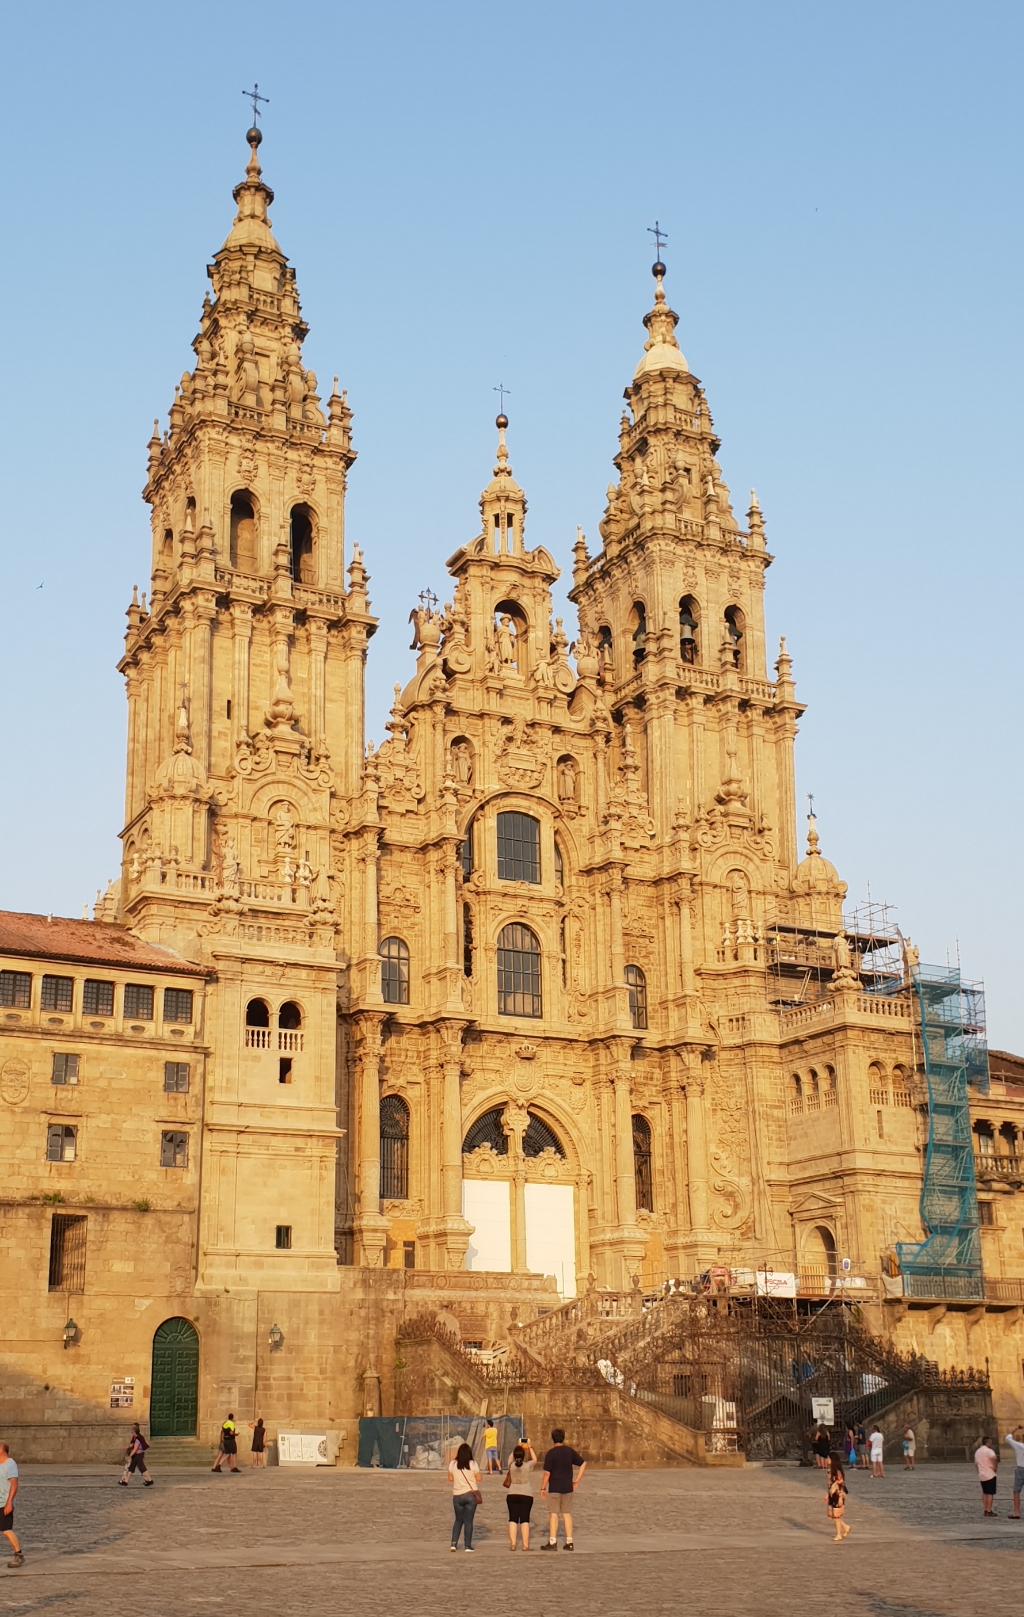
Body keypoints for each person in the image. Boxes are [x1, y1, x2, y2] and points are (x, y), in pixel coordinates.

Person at [540, 1428, 586, 1551]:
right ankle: (569, 1541)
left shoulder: (551, 1453)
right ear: (563, 1438)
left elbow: (547, 1473)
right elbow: (583, 1463)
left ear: (552, 1438)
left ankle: (553, 1541)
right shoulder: (569, 1451)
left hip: (554, 1486)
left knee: (554, 1514)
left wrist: (543, 1487)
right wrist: (577, 1480)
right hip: (567, 1486)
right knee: (566, 1514)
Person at [448, 1441, 482, 1552]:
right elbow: (479, 1478)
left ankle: (453, 1543)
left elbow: (450, 1479)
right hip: (470, 1495)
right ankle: (467, 1545)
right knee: (468, 1521)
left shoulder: (452, 1464)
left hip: (457, 1495)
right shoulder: (472, 1464)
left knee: (458, 1520)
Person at [504, 1441, 537, 1550]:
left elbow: (510, 1457)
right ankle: (525, 1545)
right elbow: (535, 1459)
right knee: (525, 1519)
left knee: (512, 1519)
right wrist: (529, 1447)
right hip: (526, 1494)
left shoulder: (511, 1465)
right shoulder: (527, 1466)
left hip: (512, 1493)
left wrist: (518, 1445)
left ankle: (513, 1544)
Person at [0, 1442, 21, 1568]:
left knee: (6, 1530)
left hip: (4, 1502)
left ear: (2, 1450)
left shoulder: (10, 1464)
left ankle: (18, 1554)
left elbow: (14, 1484)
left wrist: (9, 1503)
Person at [826, 1456, 851, 1541]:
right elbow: (830, 1485)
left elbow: (840, 1486)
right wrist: (827, 1495)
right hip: (832, 1495)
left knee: (836, 1516)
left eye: (828, 1458)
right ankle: (845, 1527)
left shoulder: (837, 1473)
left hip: (838, 1496)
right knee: (833, 1515)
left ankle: (839, 1534)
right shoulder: (830, 1471)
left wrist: (840, 1498)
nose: (827, 1460)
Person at [1004, 1424, 1024, 1518]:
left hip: (1021, 1469)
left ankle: (1016, 1513)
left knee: (1016, 1491)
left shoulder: (1019, 1446)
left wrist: (1016, 1428)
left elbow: (1008, 1438)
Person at [975, 1437, 998, 1516]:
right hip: (989, 1474)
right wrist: (995, 1468)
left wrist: (979, 1471)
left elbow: (976, 1464)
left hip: (982, 1474)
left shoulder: (977, 1451)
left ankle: (985, 1509)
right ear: (987, 1443)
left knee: (984, 1492)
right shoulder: (989, 1451)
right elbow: (994, 1458)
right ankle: (989, 1510)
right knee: (990, 1493)